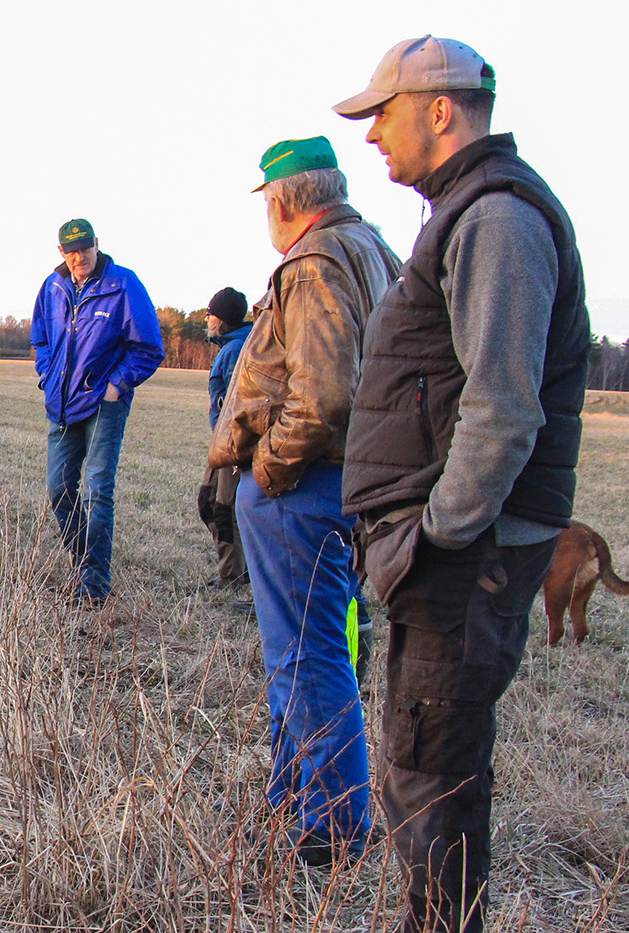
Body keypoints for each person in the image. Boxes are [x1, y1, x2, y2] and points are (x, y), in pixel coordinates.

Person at [334, 37, 590, 932]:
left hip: (463, 558)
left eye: (382, 114)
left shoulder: (496, 220)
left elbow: (504, 408)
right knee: (423, 776)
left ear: (439, 109)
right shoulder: (466, 213)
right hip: (454, 555)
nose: (371, 138)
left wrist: (436, 536)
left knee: (432, 781)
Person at [208, 137, 401, 867]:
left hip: (307, 485)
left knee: (309, 655)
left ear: (284, 202)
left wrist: (269, 467)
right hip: (350, 479)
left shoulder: (315, 261)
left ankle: (331, 826)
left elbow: (324, 394)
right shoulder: (372, 248)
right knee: (314, 649)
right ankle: (295, 800)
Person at [32, 219, 164, 605]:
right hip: (61, 402)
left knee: (97, 491)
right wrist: (47, 375)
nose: (79, 256)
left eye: (85, 248)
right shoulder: (52, 287)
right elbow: (40, 338)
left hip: (104, 405)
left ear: (96, 245)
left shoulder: (123, 284)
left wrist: (115, 386)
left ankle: (94, 584)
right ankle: (83, 559)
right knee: (58, 487)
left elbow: (148, 348)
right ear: (61, 252)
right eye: (71, 250)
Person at [197, 286, 253, 594]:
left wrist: (235, 450)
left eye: (210, 314)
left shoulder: (235, 351)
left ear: (221, 318)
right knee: (209, 502)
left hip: (232, 446)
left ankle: (233, 576)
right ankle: (239, 570)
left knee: (222, 508)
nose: (207, 320)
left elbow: (237, 404)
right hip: (224, 444)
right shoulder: (235, 345)